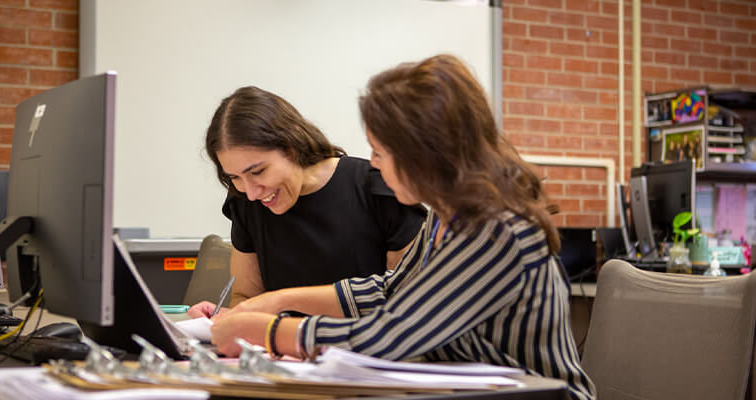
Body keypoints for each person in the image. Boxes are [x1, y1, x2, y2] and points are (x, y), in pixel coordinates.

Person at [209, 55, 596, 400]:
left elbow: (392, 335)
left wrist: (269, 331)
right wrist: (277, 301)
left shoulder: (497, 232)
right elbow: (390, 288)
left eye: (379, 151)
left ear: (422, 155)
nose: (373, 164)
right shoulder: (447, 220)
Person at [188, 86, 426, 316]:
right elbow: (247, 298)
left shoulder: (379, 189)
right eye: (235, 177)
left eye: (258, 171)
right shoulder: (245, 201)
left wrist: (293, 334)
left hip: (362, 349)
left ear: (291, 148)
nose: (251, 192)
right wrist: (229, 317)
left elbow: (406, 303)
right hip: (281, 350)